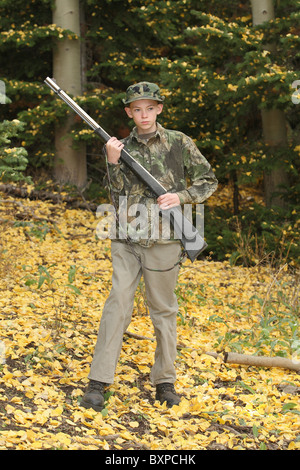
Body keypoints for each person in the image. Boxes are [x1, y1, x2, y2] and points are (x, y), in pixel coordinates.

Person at [81, 82, 218, 411]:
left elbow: (208, 180)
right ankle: (98, 381)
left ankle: (165, 381)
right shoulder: (120, 146)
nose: (143, 114)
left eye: (149, 108)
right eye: (136, 109)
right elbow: (115, 196)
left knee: (163, 310)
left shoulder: (179, 142)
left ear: (158, 109)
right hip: (126, 238)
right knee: (117, 305)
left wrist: (181, 196)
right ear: (129, 112)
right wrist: (113, 163)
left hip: (165, 239)